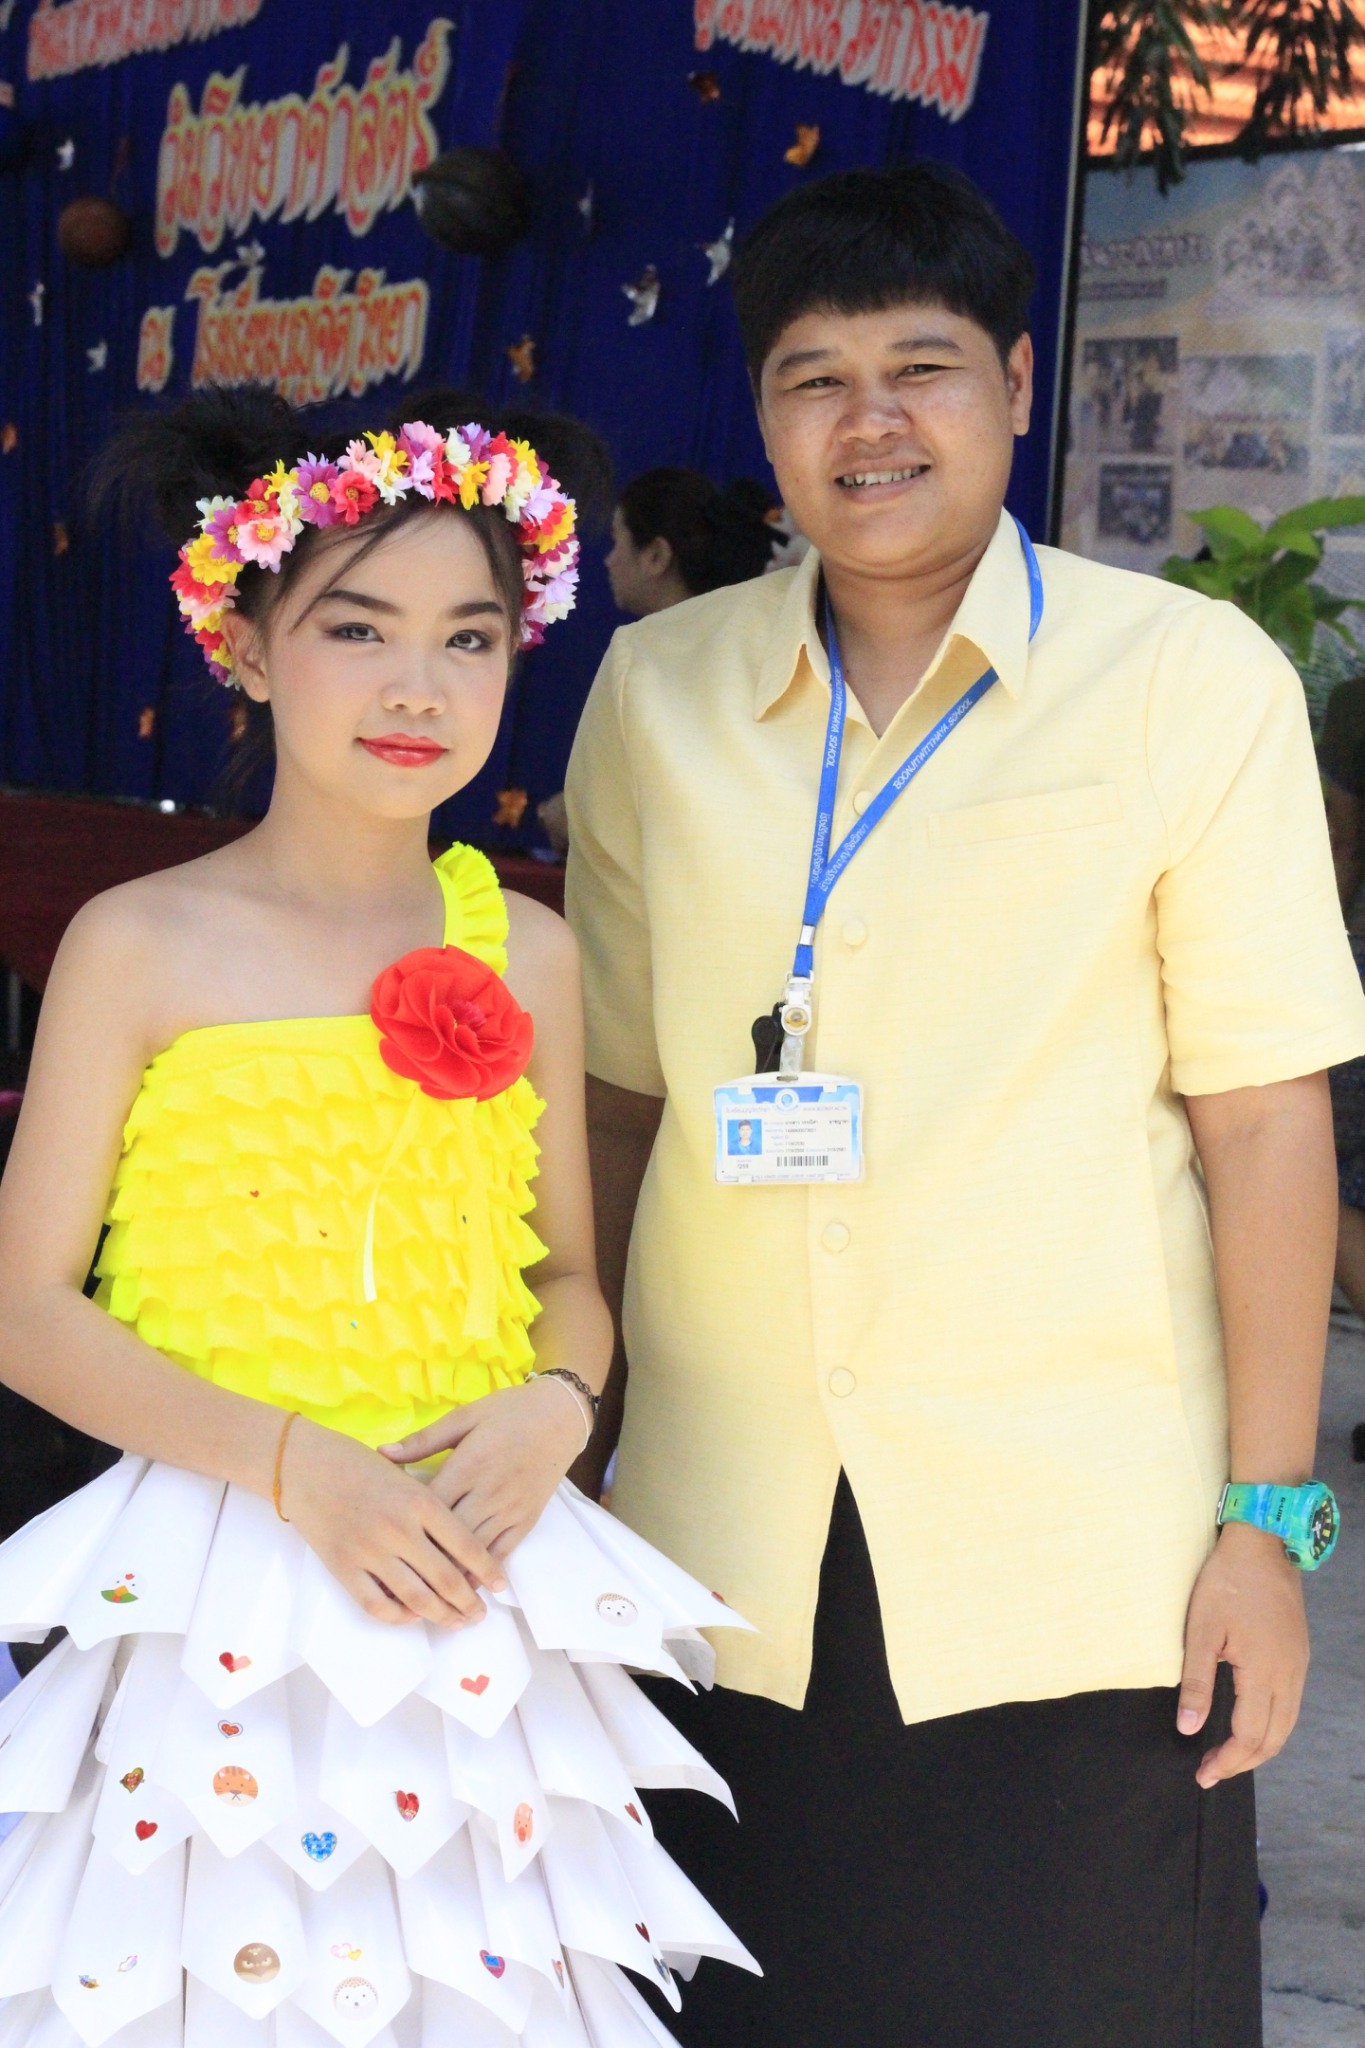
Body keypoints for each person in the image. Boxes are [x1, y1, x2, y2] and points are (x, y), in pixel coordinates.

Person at [564, 161, 1365, 2047]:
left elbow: (1265, 1125)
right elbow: (609, 1108)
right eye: (814, 378)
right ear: (765, 418)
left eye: (919, 367)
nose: (870, 422)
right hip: (717, 1539)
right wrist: (568, 1442)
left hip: (1078, 1555)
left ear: (1014, 380)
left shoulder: (1183, 680)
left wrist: (1271, 1527)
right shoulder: (658, 692)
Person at [0, 388, 756, 2042]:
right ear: (248, 649)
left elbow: (569, 1273)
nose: (420, 686)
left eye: (469, 639)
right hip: (215, 1572)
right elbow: (26, 1310)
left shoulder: (530, 951)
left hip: (473, 1568)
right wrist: (296, 1468)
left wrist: (559, 1403)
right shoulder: (138, 942)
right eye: (358, 628)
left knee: (464, 1981)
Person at [538, 468, 780, 859]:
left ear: (656, 555)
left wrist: (572, 814)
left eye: (618, 540)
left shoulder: (641, 656)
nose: (609, 560)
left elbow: (661, 803)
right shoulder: (751, 651)